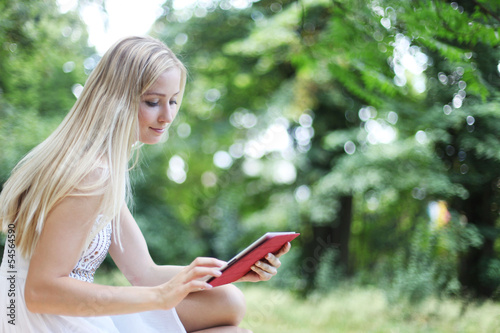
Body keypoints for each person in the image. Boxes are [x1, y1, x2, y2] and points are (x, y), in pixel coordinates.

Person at [0, 36, 291, 332]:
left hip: (62, 314)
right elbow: (40, 293)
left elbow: (144, 272)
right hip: (46, 321)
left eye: (174, 101)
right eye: (153, 102)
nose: (167, 116)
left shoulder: (101, 167)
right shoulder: (89, 174)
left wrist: (230, 271)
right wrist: (159, 297)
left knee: (227, 300)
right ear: (116, 100)